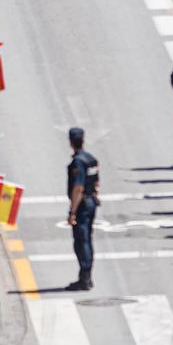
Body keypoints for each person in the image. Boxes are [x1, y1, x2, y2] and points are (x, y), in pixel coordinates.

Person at [66, 125, 100, 293]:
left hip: (83, 205)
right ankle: (87, 275)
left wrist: (72, 212)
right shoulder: (91, 159)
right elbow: (96, 182)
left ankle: (84, 277)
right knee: (87, 239)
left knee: (82, 240)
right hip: (92, 202)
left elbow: (78, 187)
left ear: (71, 142)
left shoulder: (78, 162)